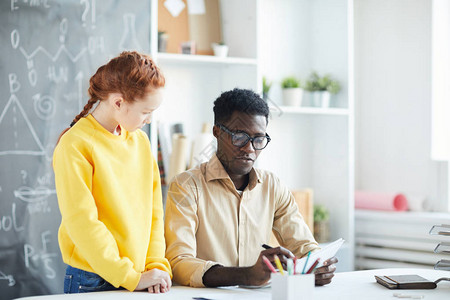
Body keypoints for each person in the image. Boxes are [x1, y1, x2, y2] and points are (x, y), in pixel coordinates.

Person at [164, 88, 338, 288]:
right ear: (217, 132)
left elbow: (304, 245)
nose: (249, 149)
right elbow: (178, 263)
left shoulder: (273, 186)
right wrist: (246, 275)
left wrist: (316, 263)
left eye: (258, 139)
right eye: (240, 137)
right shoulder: (187, 186)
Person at [53, 51, 172, 294]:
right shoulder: (75, 144)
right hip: (92, 280)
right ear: (118, 102)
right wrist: (130, 277)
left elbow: (154, 213)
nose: (149, 120)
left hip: (140, 277)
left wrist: (156, 266)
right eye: (145, 111)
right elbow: (82, 223)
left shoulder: (141, 142)